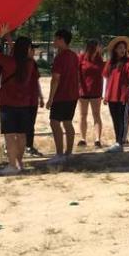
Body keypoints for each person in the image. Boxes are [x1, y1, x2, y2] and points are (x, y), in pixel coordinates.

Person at [0, 26, 37, 175]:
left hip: (8, 103)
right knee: (22, 135)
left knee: (9, 136)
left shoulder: (8, 62)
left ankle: (12, 165)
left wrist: (0, 35)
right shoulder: (29, 64)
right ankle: (20, 162)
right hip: (24, 104)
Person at [46, 29, 80, 163]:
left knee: (54, 122)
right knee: (67, 122)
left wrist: (50, 98)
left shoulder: (60, 57)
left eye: (55, 39)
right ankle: (68, 153)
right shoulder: (74, 55)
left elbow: (55, 79)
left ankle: (59, 154)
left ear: (61, 39)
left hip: (62, 95)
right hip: (73, 94)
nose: (54, 41)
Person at [103, 37, 129, 153]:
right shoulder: (110, 63)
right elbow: (105, 78)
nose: (123, 50)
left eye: (124, 48)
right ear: (115, 50)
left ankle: (120, 142)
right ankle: (117, 141)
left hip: (123, 95)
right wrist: (104, 95)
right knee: (115, 118)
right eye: (120, 48)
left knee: (122, 118)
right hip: (111, 95)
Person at [78, 40, 104, 148]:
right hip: (83, 92)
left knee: (96, 115)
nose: (100, 48)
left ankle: (97, 139)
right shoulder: (81, 57)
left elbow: (103, 76)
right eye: (98, 46)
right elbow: (77, 74)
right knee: (83, 115)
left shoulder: (99, 59)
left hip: (96, 91)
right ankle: (82, 138)